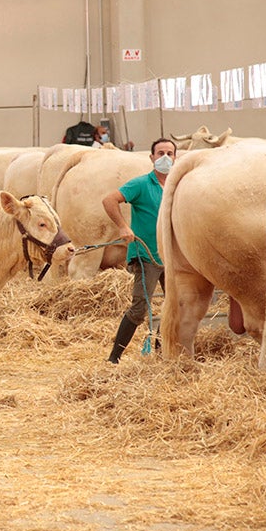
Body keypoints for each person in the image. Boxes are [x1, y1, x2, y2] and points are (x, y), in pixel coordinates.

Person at [101, 137, 177, 363]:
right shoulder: (141, 184)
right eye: (160, 153)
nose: (165, 158)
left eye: (169, 153)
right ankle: (114, 358)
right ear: (151, 157)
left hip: (172, 257)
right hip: (147, 255)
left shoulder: (178, 186)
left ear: (176, 157)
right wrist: (123, 226)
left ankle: (163, 353)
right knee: (139, 308)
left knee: (174, 305)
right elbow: (109, 200)